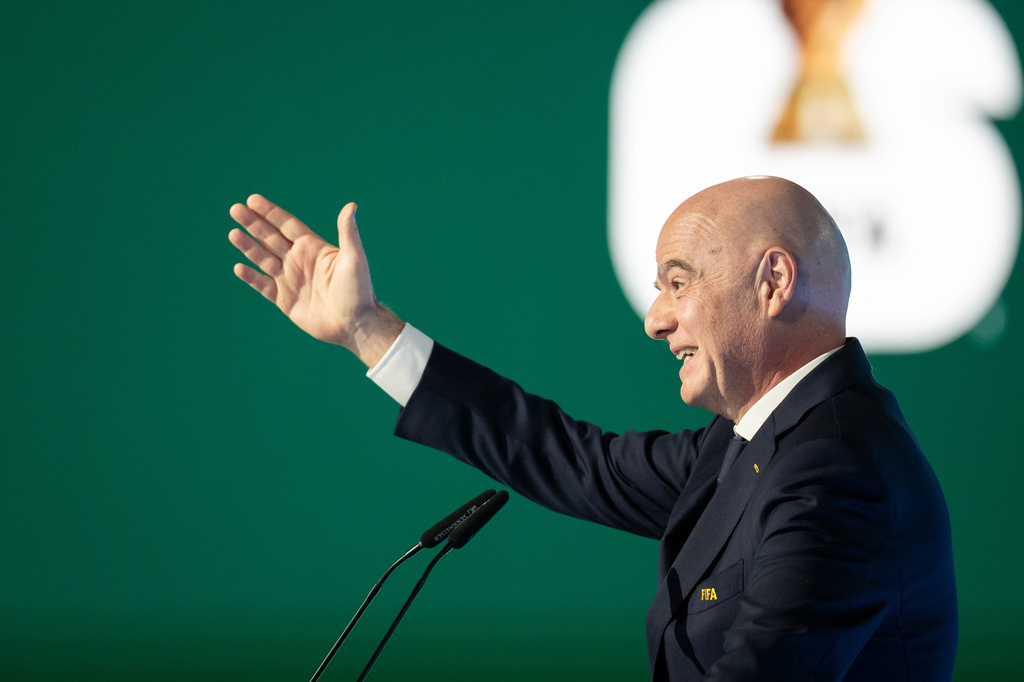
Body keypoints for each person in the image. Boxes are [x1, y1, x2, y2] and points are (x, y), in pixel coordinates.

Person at [228, 176, 957, 680]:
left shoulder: (839, 469)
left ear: (773, 281)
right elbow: (573, 459)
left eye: (678, 283)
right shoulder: (759, 443)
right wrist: (367, 331)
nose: (655, 320)